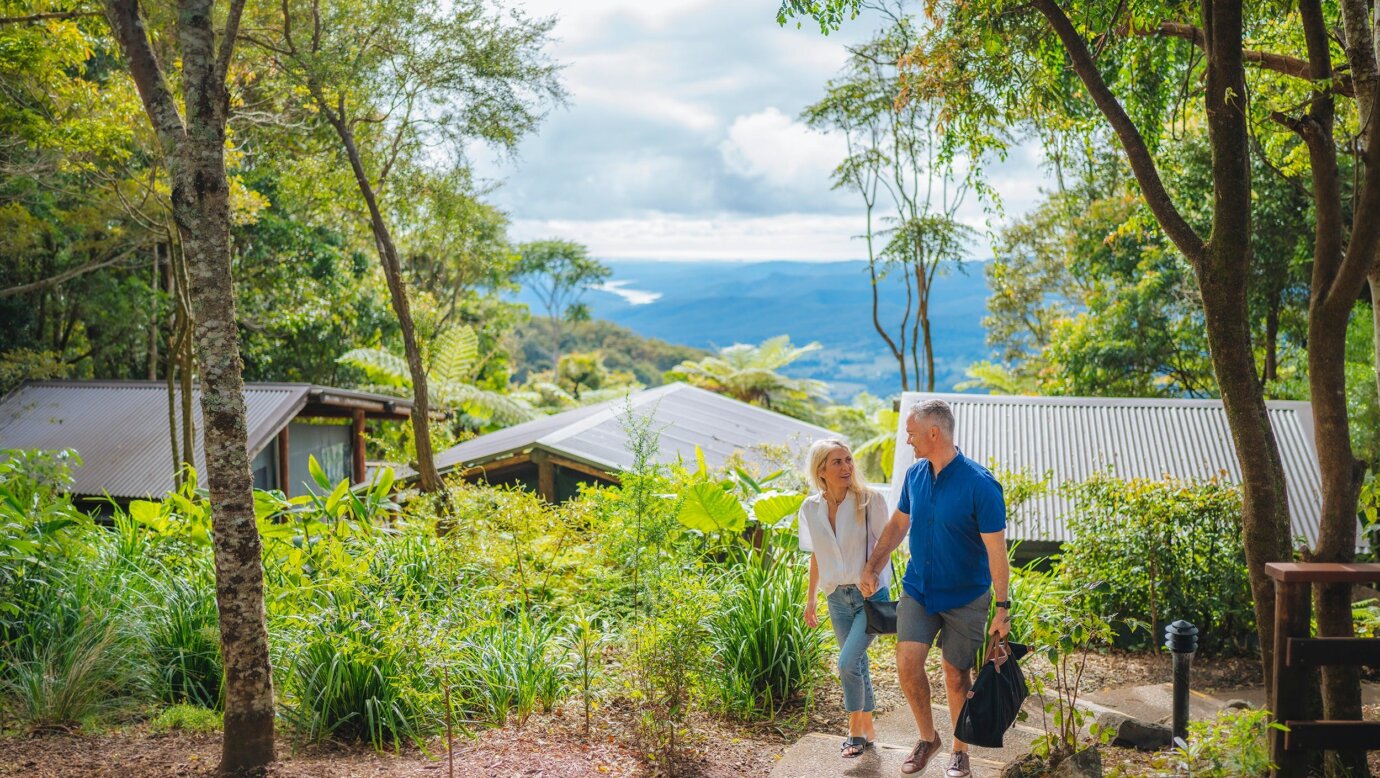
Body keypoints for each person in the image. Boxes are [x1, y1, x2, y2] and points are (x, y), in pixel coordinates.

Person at [859, 399, 1010, 778]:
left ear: (933, 433)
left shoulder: (981, 484)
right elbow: (897, 525)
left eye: (911, 432)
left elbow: (997, 551)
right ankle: (928, 739)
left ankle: (959, 751)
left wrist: (1003, 608)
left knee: (956, 674)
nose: (907, 439)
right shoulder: (915, 476)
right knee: (908, 666)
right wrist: (873, 565)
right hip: (919, 591)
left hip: (966, 597)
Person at [799, 438, 893, 759]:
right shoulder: (810, 508)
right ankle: (868, 731)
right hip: (836, 598)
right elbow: (817, 555)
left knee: (847, 663)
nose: (846, 467)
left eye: (848, 460)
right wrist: (811, 599)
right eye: (837, 462)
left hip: (870, 596)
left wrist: (872, 572)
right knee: (858, 663)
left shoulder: (870, 501)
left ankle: (854, 731)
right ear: (821, 469)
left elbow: (887, 543)